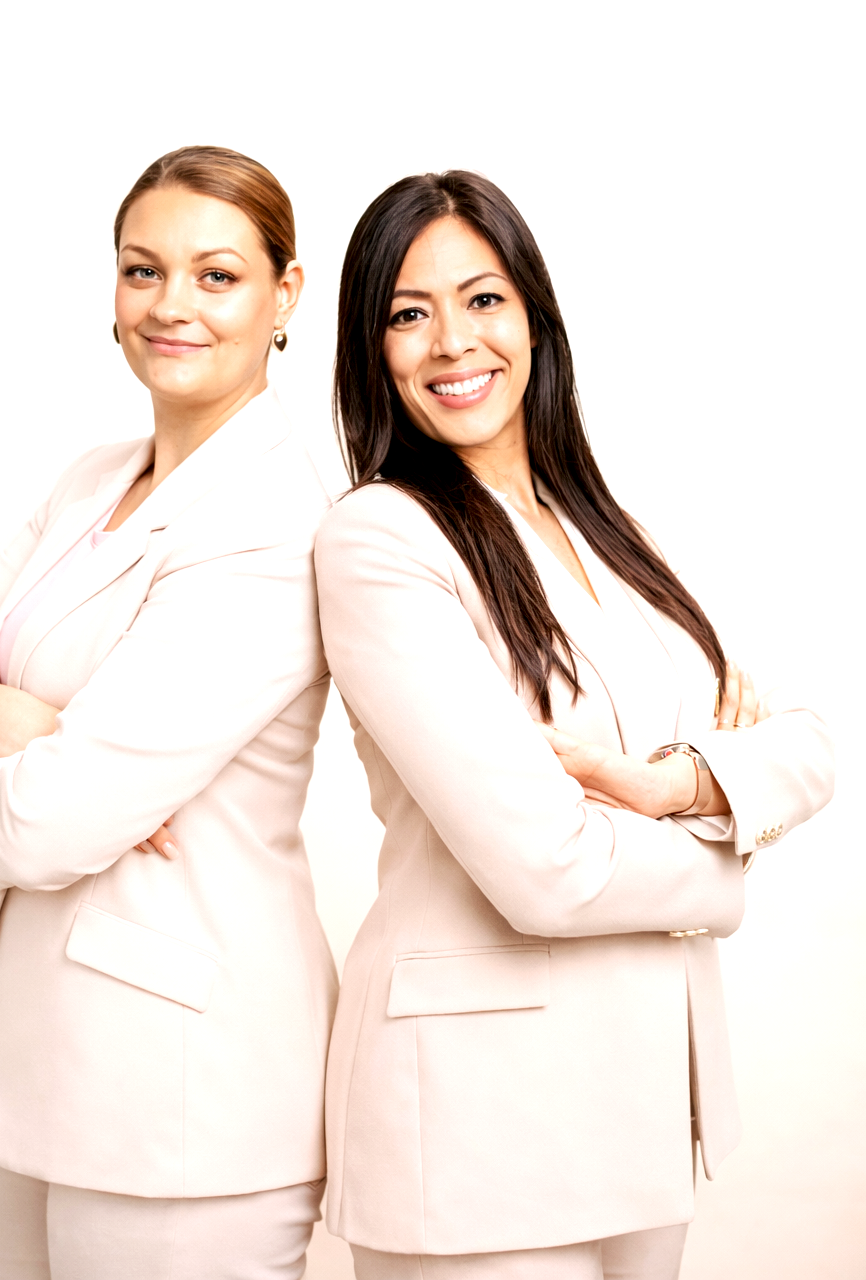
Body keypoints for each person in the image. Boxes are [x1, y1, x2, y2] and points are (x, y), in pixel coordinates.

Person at [314, 171, 835, 1279]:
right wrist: (727, 866)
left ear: (536, 317)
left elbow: (805, 741)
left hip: (647, 1102)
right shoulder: (380, 539)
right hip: (475, 1122)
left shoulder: (610, 529)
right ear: (372, 348)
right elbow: (542, 868)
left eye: (483, 298)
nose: (453, 341)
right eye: (408, 313)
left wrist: (678, 783)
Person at [0, 145, 337, 1280]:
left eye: (216, 275)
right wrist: (19, 730)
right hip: (36, 1069)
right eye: (143, 270)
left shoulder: (280, 510)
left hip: (182, 1096)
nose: (171, 304)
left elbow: (38, 829)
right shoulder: (92, 475)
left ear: (284, 294)